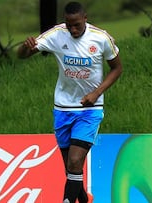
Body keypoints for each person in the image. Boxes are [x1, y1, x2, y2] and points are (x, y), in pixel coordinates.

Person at [17, 1, 122, 203]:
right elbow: (23, 55)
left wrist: (96, 93)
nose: (72, 29)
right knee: (71, 170)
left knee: (75, 162)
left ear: (85, 18)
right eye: (68, 24)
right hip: (63, 108)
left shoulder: (101, 38)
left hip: (90, 109)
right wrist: (24, 47)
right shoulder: (57, 34)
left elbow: (117, 68)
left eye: (77, 25)